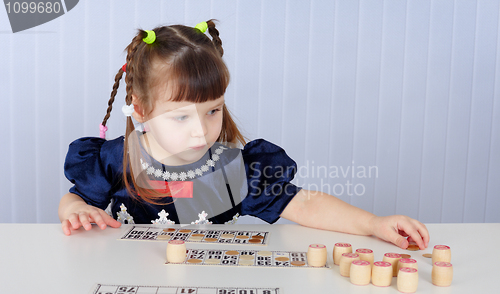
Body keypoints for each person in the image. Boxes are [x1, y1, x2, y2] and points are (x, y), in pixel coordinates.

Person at [58, 20, 429, 250]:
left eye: (212, 110)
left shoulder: (235, 171)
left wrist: (373, 224)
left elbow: (304, 204)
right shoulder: (115, 160)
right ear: (140, 109)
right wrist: (76, 211)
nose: (201, 129)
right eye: (181, 116)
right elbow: (75, 199)